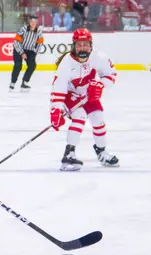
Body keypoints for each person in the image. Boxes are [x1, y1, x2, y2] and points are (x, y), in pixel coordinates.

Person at [49, 28, 119, 171]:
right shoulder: (66, 64)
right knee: (79, 116)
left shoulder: (98, 57)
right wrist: (56, 110)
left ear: (90, 45)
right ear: (74, 46)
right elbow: (58, 89)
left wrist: (100, 84)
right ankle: (69, 153)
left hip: (89, 93)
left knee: (98, 118)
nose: (83, 47)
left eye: (85, 44)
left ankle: (102, 152)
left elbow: (111, 75)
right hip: (71, 96)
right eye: (79, 44)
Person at [10, 14, 44, 92]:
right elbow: (16, 42)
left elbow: (40, 44)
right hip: (19, 49)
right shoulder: (23, 29)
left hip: (30, 50)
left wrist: (35, 53)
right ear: (29, 21)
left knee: (32, 65)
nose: (33, 23)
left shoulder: (39, 32)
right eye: (32, 21)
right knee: (18, 65)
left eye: (35, 22)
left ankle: (24, 82)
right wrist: (22, 53)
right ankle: (13, 82)